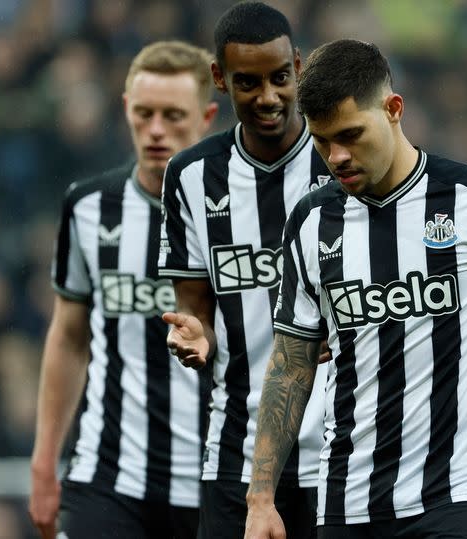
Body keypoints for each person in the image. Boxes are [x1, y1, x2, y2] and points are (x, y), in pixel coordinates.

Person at [245, 39, 467, 539]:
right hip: (347, 502)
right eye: (323, 140)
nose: (338, 156)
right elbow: (289, 366)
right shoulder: (310, 223)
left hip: (457, 494)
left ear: (394, 109)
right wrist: (260, 497)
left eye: (351, 134)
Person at [28, 40, 218, 539]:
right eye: (144, 113)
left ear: (207, 117)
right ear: (126, 110)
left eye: (173, 115)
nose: (156, 130)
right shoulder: (87, 207)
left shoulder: (244, 218)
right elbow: (69, 338)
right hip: (109, 474)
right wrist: (44, 461)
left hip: (216, 480)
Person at [157, 3, 330, 538]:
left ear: (299, 68)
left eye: (280, 78)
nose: (269, 97)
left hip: (342, 449)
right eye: (248, 83)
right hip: (235, 450)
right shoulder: (190, 176)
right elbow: (195, 311)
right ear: (219, 79)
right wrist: (196, 338)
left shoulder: (341, 164)